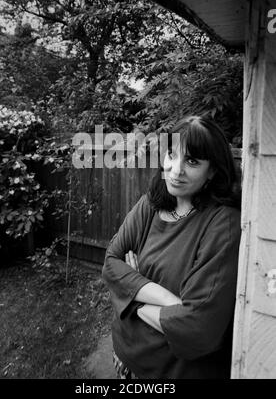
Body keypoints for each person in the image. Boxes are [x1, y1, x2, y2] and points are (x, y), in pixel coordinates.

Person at [102, 115, 241, 379]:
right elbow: (111, 263)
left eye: (192, 161)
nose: (176, 170)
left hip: (169, 372)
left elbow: (197, 327)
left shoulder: (223, 225)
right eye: (171, 154)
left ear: (212, 171)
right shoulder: (150, 205)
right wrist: (170, 302)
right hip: (124, 356)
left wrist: (133, 296)